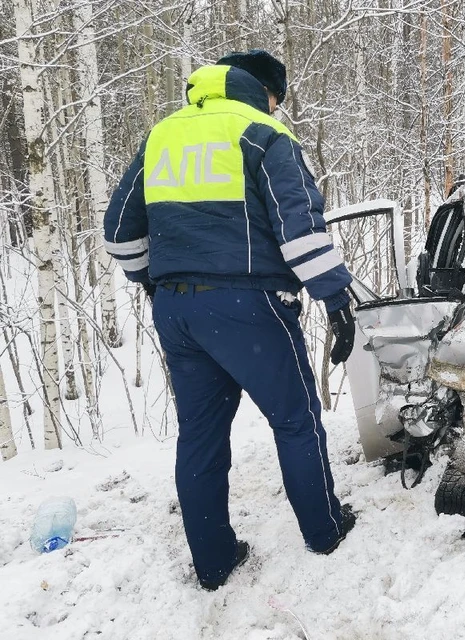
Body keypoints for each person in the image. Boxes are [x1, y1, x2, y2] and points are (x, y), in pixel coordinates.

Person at [103, 50, 357, 591]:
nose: (278, 109)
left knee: (200, 434)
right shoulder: (262, 133)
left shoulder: (162, 136)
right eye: (277, 100)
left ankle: (214, 562)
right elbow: (301, 230)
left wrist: (154, 281)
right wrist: (336, 298)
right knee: (295, 419)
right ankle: (325, 530)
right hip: (249, 307)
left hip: (176, 310)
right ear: (264, 93)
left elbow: (119, 232)